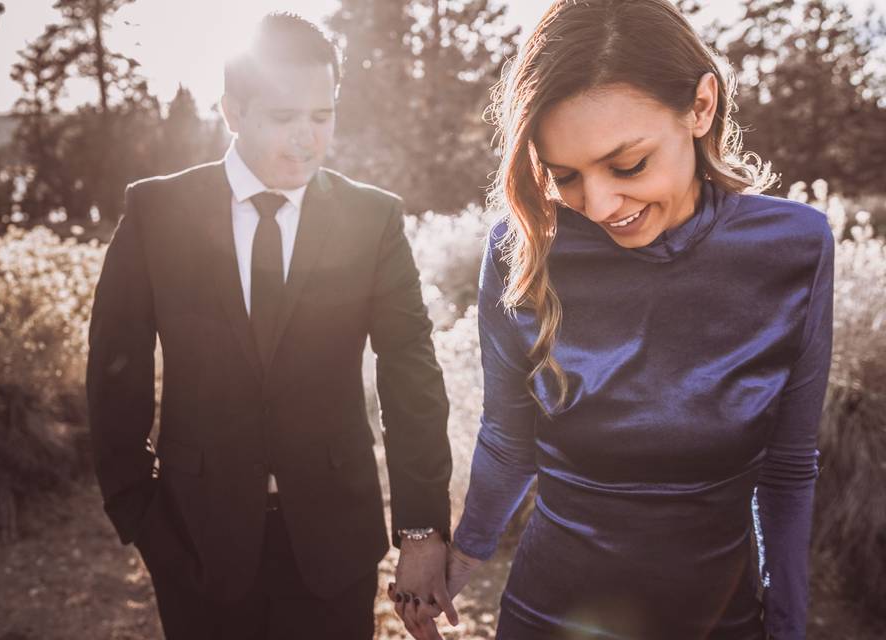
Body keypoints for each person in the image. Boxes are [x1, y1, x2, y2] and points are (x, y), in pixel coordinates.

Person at [397, 1, 834, 638]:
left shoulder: (797, 246)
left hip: (722, 621)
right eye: (564, 175)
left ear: (701, 106)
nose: (599, 205)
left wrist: (788, 623)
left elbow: (789, 466)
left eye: (627, 165)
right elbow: (508, 440)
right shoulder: (521, 250)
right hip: (550, 618)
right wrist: (458, 560)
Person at [86, 13, 455, 639]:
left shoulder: (374, 220)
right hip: (194, 542)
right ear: (233, 111)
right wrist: (137, 511)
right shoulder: (155, 212)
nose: (307, 140)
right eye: (284, 119)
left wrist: (420, 531)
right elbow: (113, 367)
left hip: (333, 550)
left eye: (323, 116)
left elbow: (410, 372)